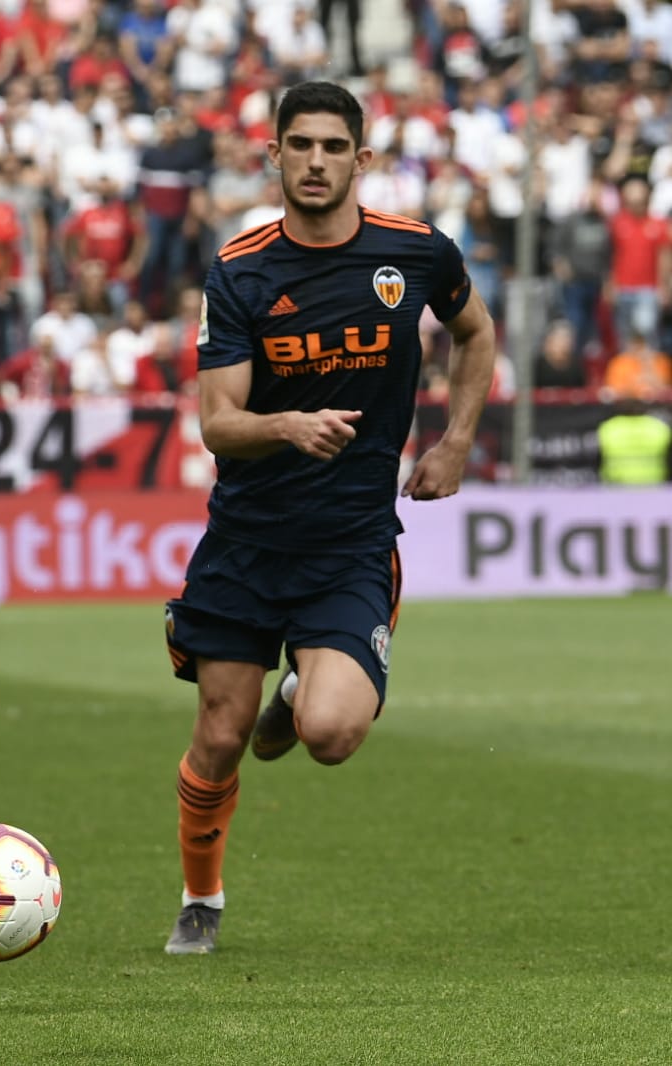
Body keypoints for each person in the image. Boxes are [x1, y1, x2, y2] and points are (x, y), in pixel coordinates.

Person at [159, 82, 497, 955]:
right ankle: (201, 898)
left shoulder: (414, 254)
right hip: (246, 542)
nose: (315, 162)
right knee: (220, 736)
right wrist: (285, 426)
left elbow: (475, 333)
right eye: (298, 146)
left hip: (349, 544)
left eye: (332, 148)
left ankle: (302, 686)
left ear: (361, 159)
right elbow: (215, 422)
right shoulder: (239, 270)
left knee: (333, 735)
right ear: (272, 156)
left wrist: (456, 440)